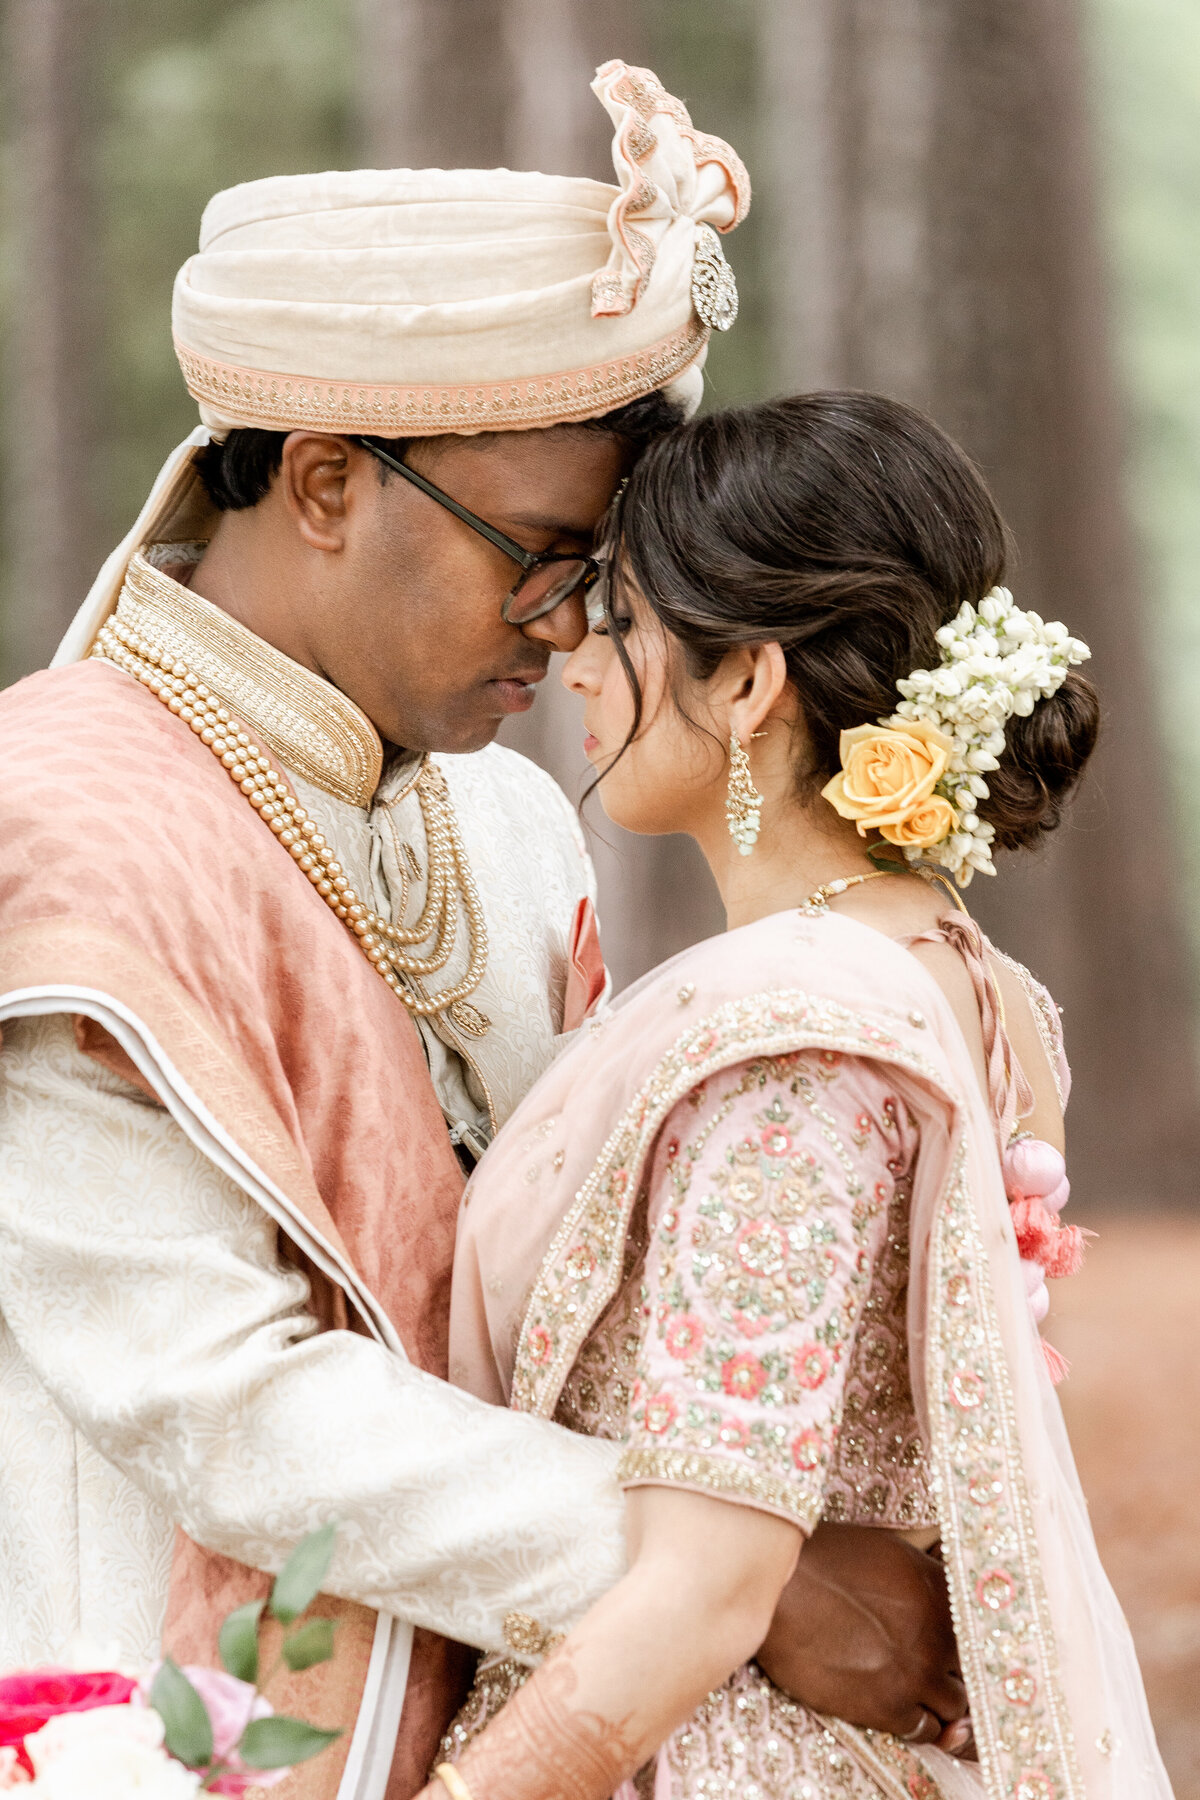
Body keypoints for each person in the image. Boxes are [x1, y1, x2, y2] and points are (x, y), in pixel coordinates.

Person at [0, 64, 966, 1800]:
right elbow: (214, 1398)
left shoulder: (509, 822)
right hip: (151, 1723)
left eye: (603, 574)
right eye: (539, 551)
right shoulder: (58, 821)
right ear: (318, 483)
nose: (579, 624)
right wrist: (728, 1583)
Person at [431, 393, 1174, 1800]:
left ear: (749, 682)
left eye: (628, 619)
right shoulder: (977, 982)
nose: (577, 659)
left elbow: (705, 1591)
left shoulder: (798, 1041)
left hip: (708, 1750)